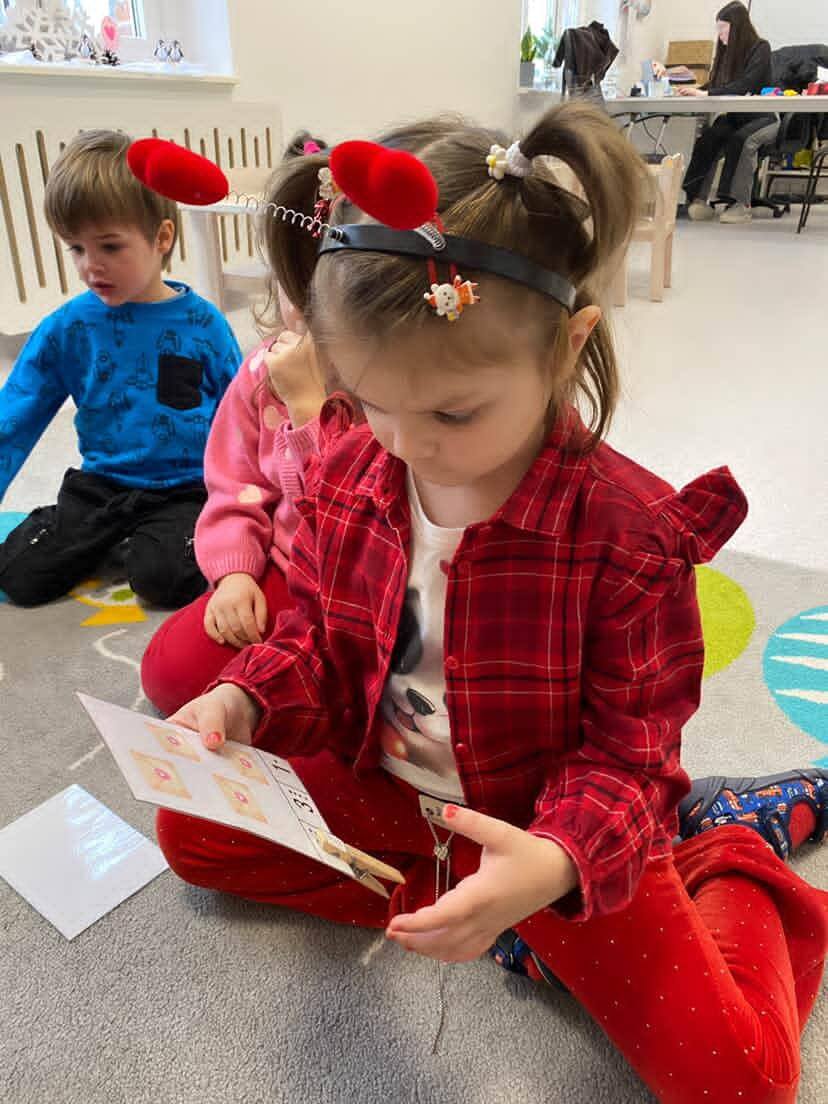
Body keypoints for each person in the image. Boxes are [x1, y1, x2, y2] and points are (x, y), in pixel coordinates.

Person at [153, 103, 827, 1101]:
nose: (404, 444)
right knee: (192, 831)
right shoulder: (350, 468)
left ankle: (727, 849)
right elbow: (322, 645)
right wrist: (243, 698)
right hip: (402, 793)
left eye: (453, 412)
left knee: (738, 1081)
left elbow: (631, 755)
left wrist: (552, 866)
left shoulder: (629, 536)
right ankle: (508, 925)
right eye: (369, 403)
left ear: (566, 348)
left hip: (548, 827)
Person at [0, 129, 242, 608]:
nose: (91, 266)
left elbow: (240, 419)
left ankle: (146, 543)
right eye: (76, 248)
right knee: (20, 576)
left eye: (110, 247)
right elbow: (16, 414)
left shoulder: (204, 326)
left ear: (162, 238)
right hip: (102, 485)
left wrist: (243, 506)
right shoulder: (68, 327)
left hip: (185, 489)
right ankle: (97, 534)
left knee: (165, 579)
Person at [140, 132, 332, 716]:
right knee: (169, 671)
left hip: (366, 593)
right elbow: (234, 485)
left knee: (340, 713)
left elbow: (359, 520)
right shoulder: (263, 371)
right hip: (284, 570)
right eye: (296, 289)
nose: (312, 314)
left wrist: (311, 410)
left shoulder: (399, 385)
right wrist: (235, 574)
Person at [653, 2, 776, 223]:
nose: (720, 35)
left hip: (764, 118)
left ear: (737, 28)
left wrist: (704, 93)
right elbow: (716, 84)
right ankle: (697, 199)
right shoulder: (726, 53)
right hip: (736, 117)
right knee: (709, 137)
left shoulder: (761, 48)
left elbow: (745, 85)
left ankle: (739, 203)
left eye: (723, 29)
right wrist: (692, 90)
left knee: (742, 140)